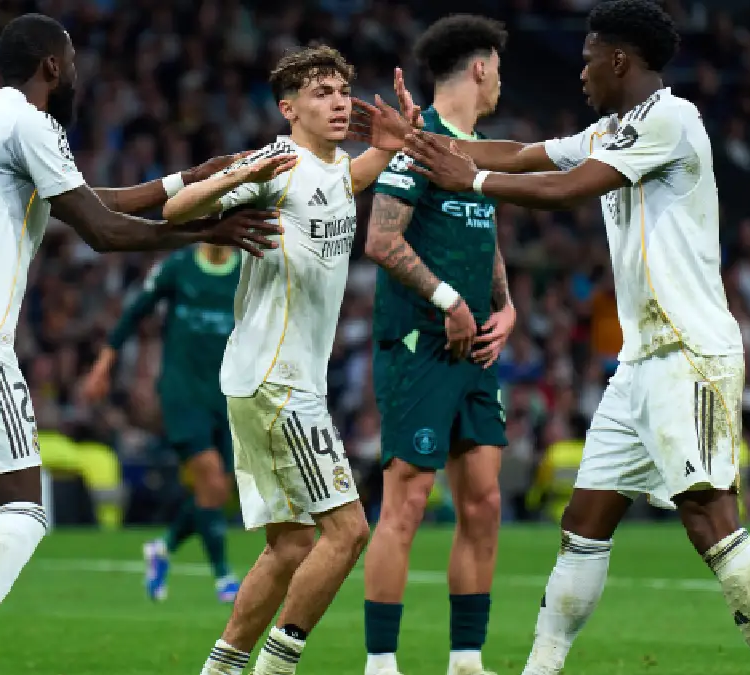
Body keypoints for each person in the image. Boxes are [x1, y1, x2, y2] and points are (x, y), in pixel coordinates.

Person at [400, 2, 750, 674]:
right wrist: (423, 143)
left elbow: (564, 189)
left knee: (708, 517)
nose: (580, 70)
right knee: (583, 523)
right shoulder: (613, 129)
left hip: (690, 353)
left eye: (588, 57)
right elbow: (524, 155)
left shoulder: (671, 122)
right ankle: (541, 666)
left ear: (620, 59)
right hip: (640, 362)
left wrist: (467, 178)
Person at [0, 13, 280, 675]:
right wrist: (210, 226)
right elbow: (103, 229)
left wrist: (191, 179)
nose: (76, 73)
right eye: (71, 61)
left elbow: (84, 197)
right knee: (24, 512)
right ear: (51, 67)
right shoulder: (31, 125)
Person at [161, 46, 415, 675]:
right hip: (277, 381)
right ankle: (280, 665)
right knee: (349, 531)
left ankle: (222, 668)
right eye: (320, 91)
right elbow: (173, 210)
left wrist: (393, 140)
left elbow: (356, 175)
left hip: (278, 379)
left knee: (292, 543)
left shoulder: (333, 171)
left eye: (341, 90)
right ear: (289, 108)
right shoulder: (276, 164)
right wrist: (233, 181)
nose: (336, 101)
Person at [360, 15, 513, 675]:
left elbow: (483, 234)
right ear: (479, 68)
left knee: (483, 498)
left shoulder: (472, 152)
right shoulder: (419, 146)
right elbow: (381, 239)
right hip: (420, 345)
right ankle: (381, 662)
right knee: (409, 498)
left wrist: (506, 306)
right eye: (498, 68)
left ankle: (466, 659)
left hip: (475, 352)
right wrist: (450, 300)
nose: (502, 80)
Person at [82, 242, 242, 603]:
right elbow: (134, 313)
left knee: (218, 490)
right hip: (182, 393)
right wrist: (103, 366)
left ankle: (163, 546)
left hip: (229, 393)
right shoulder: (178, 267)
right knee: (211, 478)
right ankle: (224, 579)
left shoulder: (246, 268)